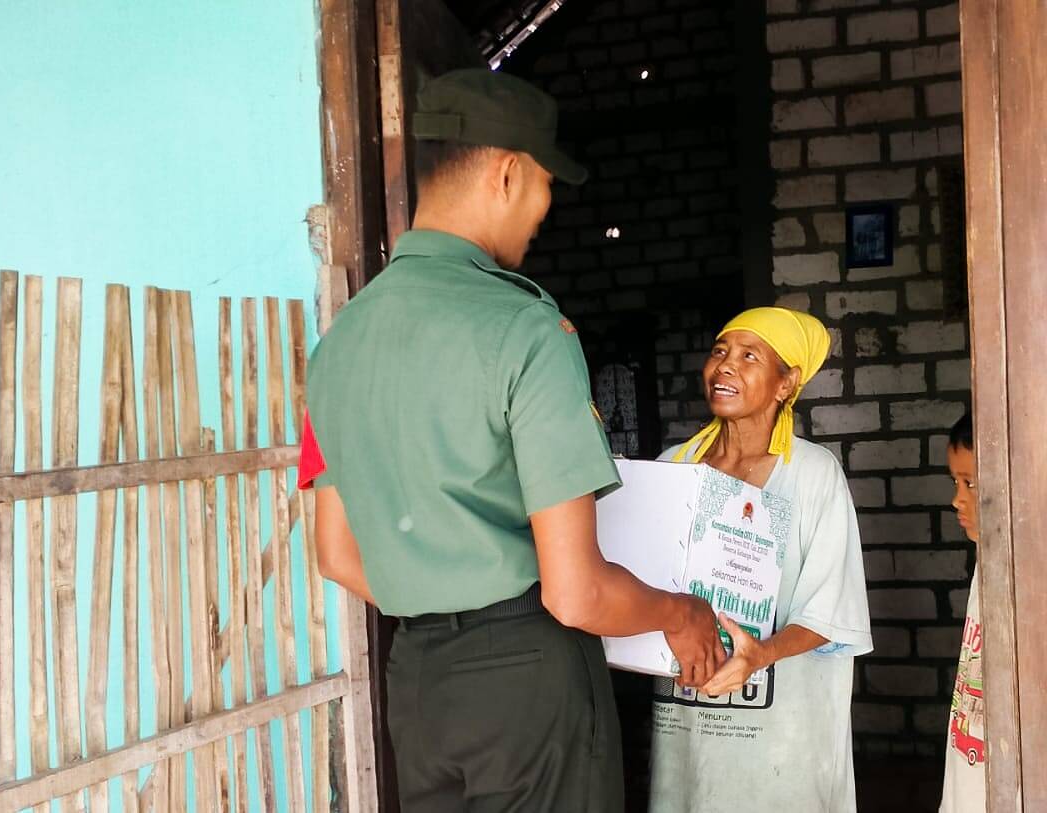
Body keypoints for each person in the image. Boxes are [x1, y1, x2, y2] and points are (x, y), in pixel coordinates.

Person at [299, 68, 724, 812]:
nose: (545, 210)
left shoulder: (337, 347)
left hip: (419, 685)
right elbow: (575, 592)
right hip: (526, 679)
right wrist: (681, 613)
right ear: (507, 173)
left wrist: (438, 596)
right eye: (545, 185)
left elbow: (335, 552)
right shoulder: (525, 328)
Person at [647, 307, 873, 813]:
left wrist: (761, 654)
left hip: (781, 734)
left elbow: (831, 612)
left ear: (785, 384)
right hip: (689, 715)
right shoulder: (672, 467)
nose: (725, 365)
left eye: (750, 356)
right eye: (720, 352)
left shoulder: (812, 474)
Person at [939, 410, 985, 812]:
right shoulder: (986, 562)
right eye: (956, 482)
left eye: (969, 482)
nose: (958, 498)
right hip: (968, 779)